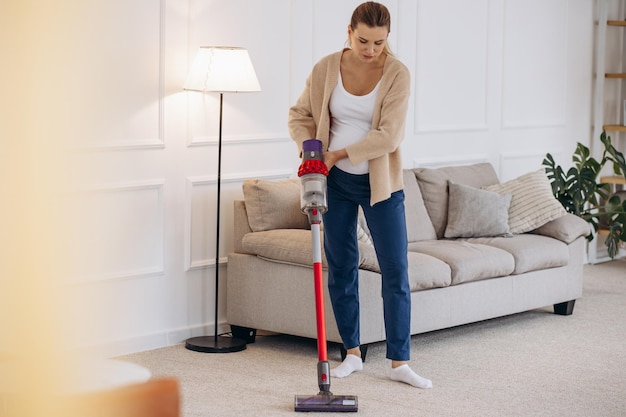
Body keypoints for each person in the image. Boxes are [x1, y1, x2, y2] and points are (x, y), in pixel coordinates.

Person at [288, 1, 432, 389]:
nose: (371, 50)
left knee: (396, 269)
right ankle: (351, 353)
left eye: (379, 42)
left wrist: (338, 153)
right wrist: (312, 150)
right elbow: (299, 115)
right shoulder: (325, 68)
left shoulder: (397, 73)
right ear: (349, 32)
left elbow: (389, 135)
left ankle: (400, 361)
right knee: (342, 266)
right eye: (364, 40)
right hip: (332, 182)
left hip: (380, 184)